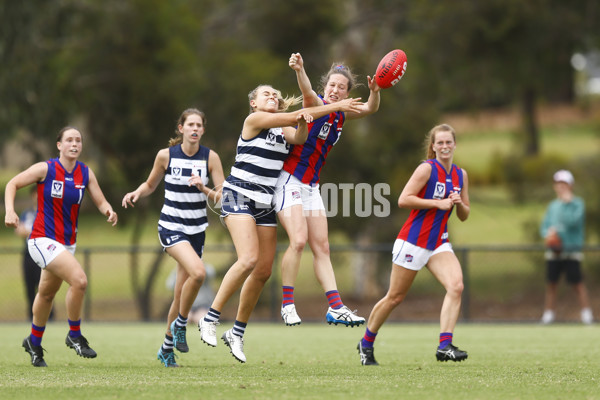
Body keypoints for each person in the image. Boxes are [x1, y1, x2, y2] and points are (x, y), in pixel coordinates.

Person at [198, 84, 363, 363]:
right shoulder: (255, 120)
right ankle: (210, 317)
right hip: (238, 194)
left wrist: (305, 121)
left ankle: (236, 333)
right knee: (248, 259)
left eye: (276, 94)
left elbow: (298, 137)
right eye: (266, 94)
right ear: (253, 103)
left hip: (264, 202)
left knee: (262, 271)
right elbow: (291, 118)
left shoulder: (282, 128)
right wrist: (334, 106)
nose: (273, 97)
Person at [274, 53, 382, 327]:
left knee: (322, 247)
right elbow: (307, 91)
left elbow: (370, 108)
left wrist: (375, 91)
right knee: (298, 241)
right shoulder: (316, 103)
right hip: (289, 180)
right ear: (326, 87)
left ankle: (336, 307)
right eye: (332, 85)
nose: (335, 90)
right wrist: (300, 69)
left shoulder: (340, 115)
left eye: (341, 88)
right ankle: (287, 304)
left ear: (347, 93)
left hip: (311, 186)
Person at [356, 124, 470, 366]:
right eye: (440, 143)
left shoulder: (461, 175)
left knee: (456, 286)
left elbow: (464, 214)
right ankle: (366, 343)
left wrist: (459, 204)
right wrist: (436, 203)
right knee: (395, 297)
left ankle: (444, 345)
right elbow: (403, 199)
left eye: (449, 142)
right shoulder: (426, 169)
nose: (445, 146)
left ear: (455, 144)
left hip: (438, 243)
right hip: (413, 241)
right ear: (433, 147)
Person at [4, 127, 118, 367]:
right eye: (69, 140)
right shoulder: (46, 169)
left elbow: (100, 199)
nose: (74, 144)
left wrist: (108, 209)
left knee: (46, 294)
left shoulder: (85, 173)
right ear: (59, 145)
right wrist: (11, 211)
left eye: (78, 140)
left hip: (67, 243)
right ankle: (74, 334)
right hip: (41, 239)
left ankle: (34, 342)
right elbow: (12, 184)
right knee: (80, 280)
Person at [122, 108, 225, 367]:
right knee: (199, 273)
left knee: (180, 295)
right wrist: (136, 192)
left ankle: (166, 349)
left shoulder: (210, 158)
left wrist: (203, 188)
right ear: (181, 129)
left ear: (203, 130)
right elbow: (150, 185)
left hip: (197, 231)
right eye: (190, 124)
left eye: (199, 125)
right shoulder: (165, 156)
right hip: (171, 227)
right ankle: (181, 325)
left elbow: (223, 197)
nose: (194, 129)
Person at [540, 169, 593, 325]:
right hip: (554, 252)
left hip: (571, 250)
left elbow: (572, 222)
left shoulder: (577, 204)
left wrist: (567, 203)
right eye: (558, 183)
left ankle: (586, 314)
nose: (561, 186)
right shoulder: (552, 206)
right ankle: (548, 315)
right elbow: (545, 226)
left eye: (564, 183)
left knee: (577, 283)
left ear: (571, 185)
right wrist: (548, 234)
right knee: (551, 283)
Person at [14, 187, 53, 320]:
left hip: (43, 255)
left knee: (45, 288)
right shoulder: (27, 213)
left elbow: (48, 231)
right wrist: (34, 231)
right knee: (29, 288)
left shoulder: (48, 213)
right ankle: (32, 318)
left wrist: (29, 230)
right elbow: (19, 230)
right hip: (28, 254)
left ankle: (49, 318)